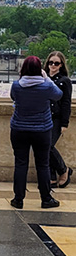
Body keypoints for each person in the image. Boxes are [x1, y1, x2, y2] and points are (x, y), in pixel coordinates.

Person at [9, 54, 63, 209]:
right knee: (43, 165)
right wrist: (47, 79)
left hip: (19, 129)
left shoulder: (17, 85)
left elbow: (13, 97)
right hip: (42, 129)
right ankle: (46, 198)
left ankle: (18, 199)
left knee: (20, 164)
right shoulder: (46, 86)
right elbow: (58, 95)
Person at [44, 50, 72, 188]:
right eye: (51, 63)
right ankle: (51, 177)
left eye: (56, 63)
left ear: (61, 65)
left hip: (56, 118)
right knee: (43, 147)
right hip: (43, 117)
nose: (53, 66)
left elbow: (66, 103)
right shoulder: (42, 78)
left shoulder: (64, 81)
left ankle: (63, 170)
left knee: (48, 146)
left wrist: (64, 123)